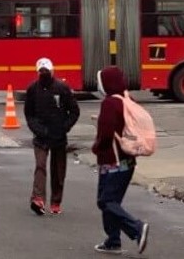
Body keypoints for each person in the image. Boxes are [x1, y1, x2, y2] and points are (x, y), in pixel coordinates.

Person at [92, 65, 149, 255]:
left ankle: (136, 228)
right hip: (128, 161)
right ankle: (113, 240)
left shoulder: (109, 103)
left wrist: (96, 147)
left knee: (106, 201)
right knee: (111, 201)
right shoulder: (127, 99)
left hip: (113, 161)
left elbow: (106, 134)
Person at [23, 57, 80, 216]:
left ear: (52, 71)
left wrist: (64, 127)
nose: (44, 74)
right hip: (41, 137)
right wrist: (39, 130)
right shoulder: (32, 89)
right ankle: (38, 199)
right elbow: (29, 114)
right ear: (37, 73)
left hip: (59, 137)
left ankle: (56, 202)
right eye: (41, 71)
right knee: (40, 166)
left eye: (46, 71)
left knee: (58, 171)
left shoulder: (62, 88)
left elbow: (74, 111)